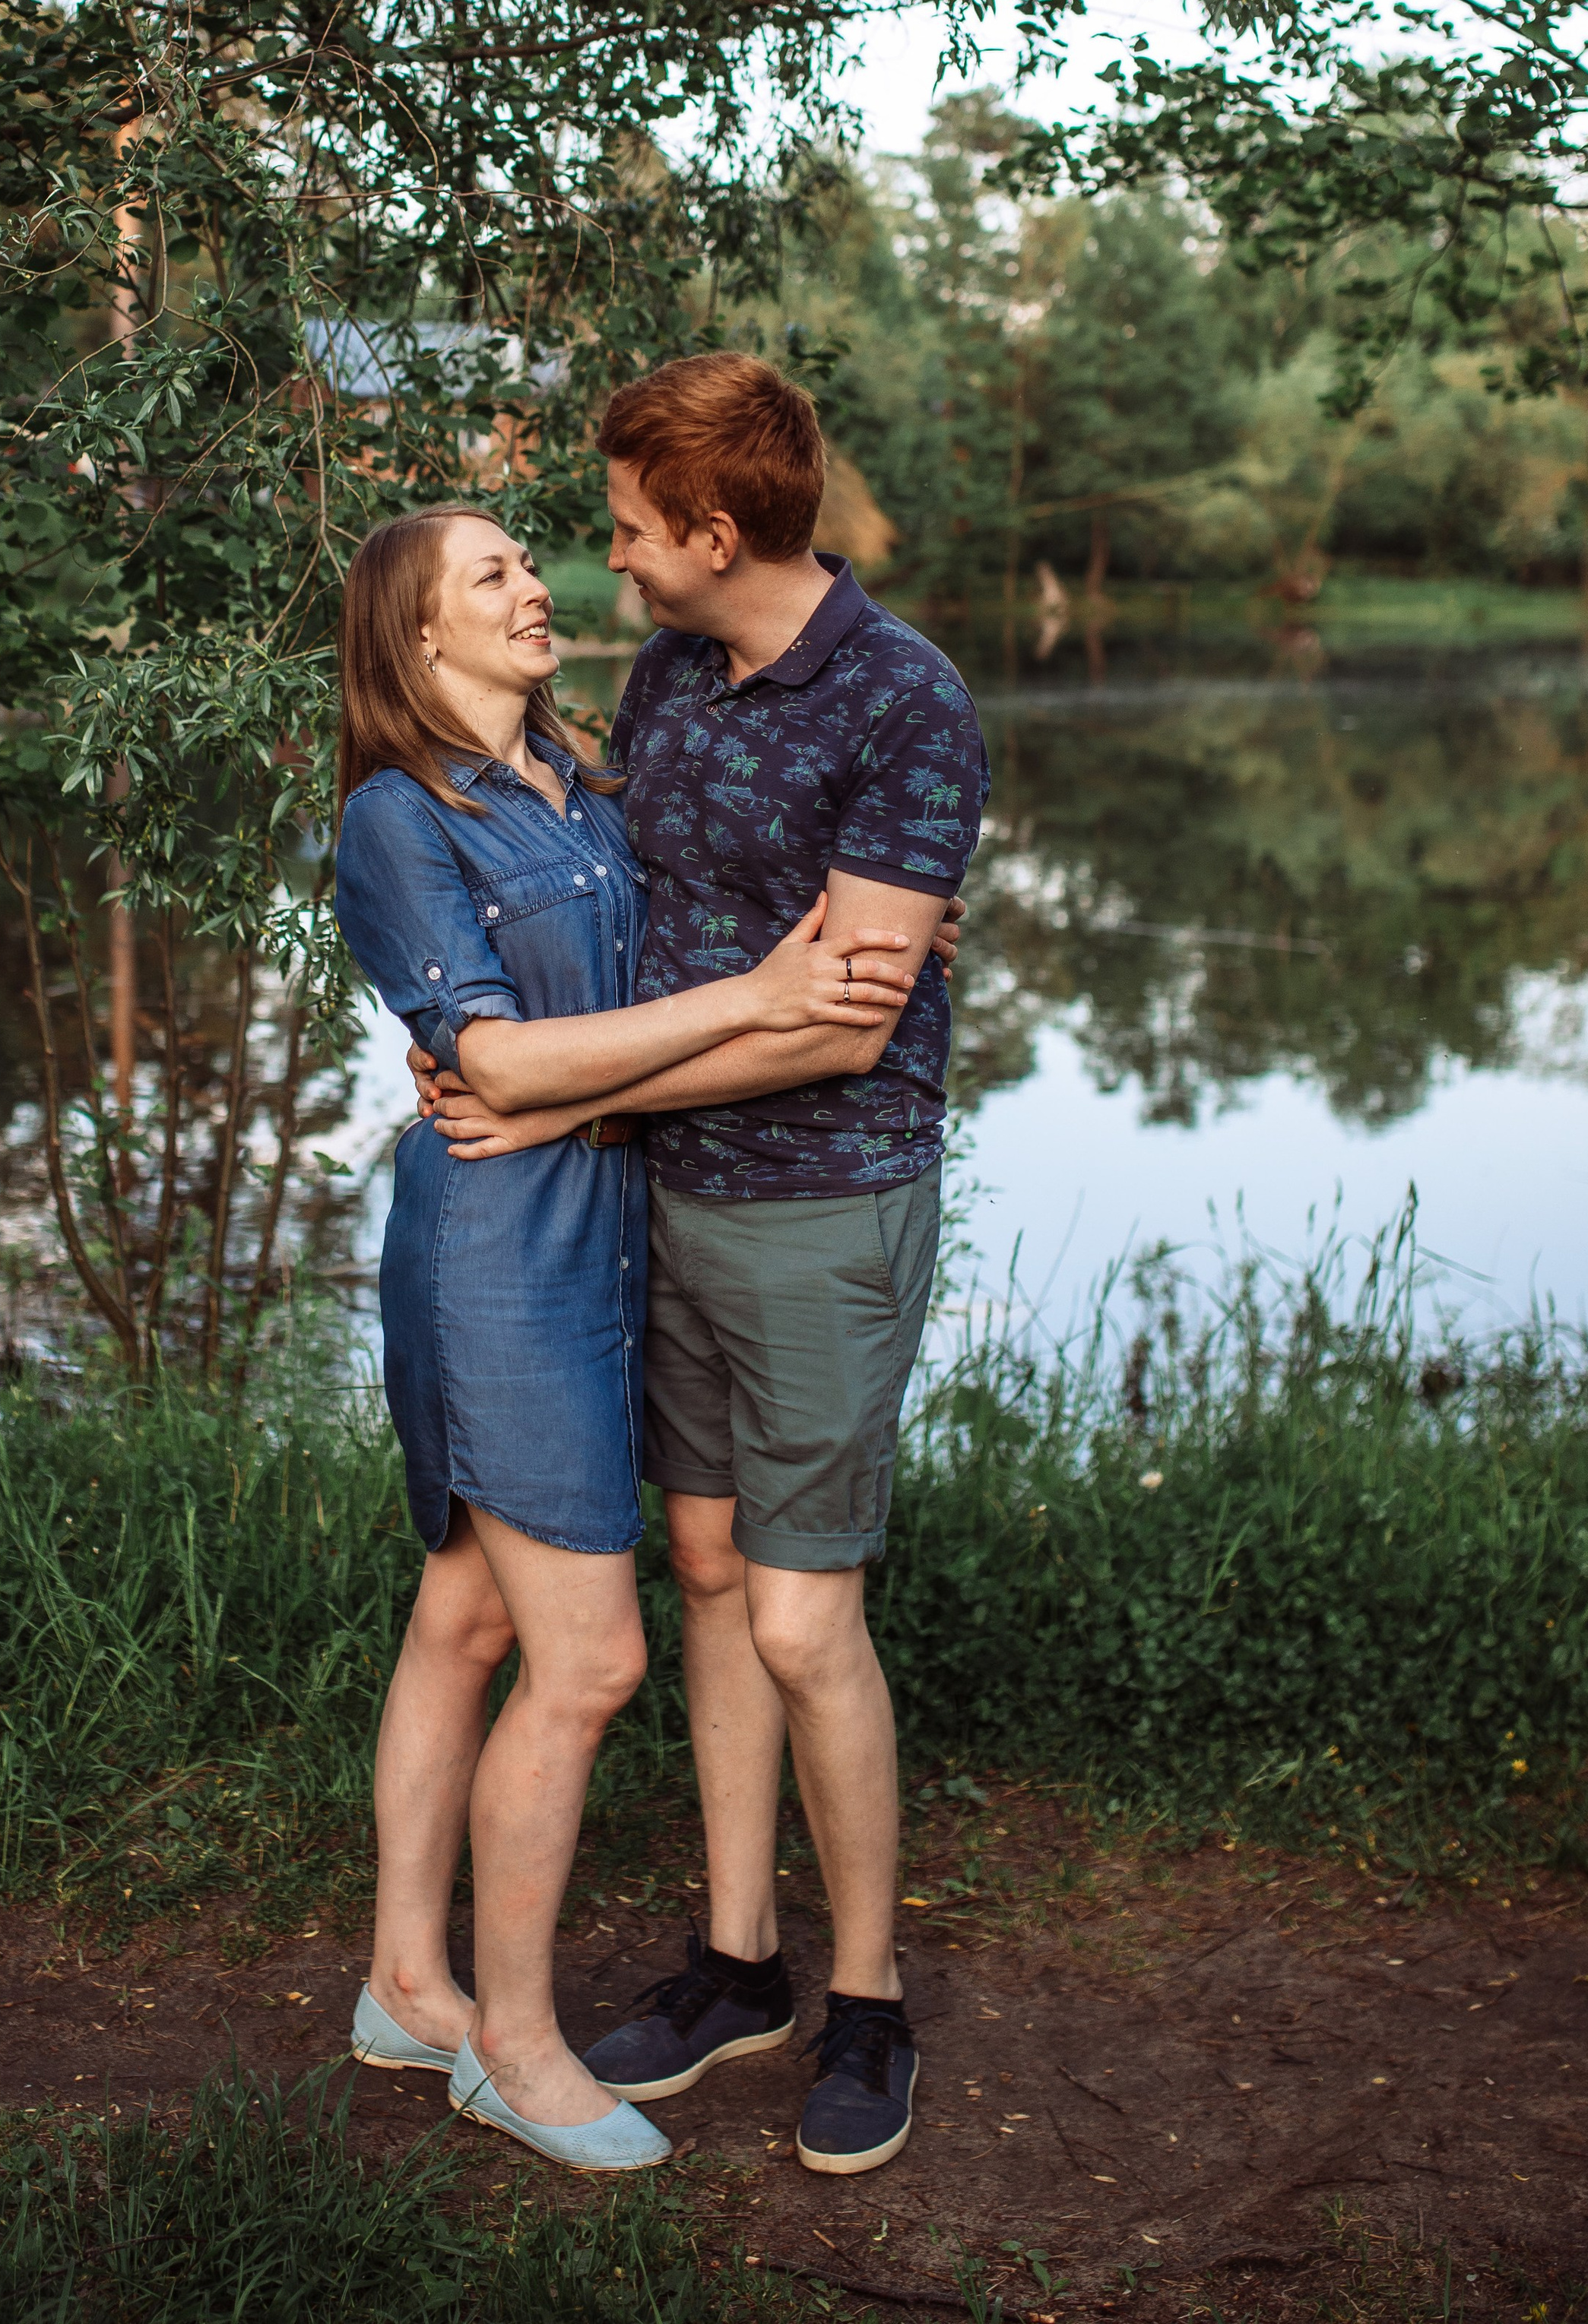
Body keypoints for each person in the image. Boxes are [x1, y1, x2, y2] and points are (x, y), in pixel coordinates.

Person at [423, 355, 988, 2176]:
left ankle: (869, 1997)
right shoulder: (672, 674)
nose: (611, 572)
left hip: (825, 1208)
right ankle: (736, 1961)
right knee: (707, 1569)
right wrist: (511, 1049)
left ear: (715, 531)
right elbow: (621, 890)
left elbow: (840, 1034)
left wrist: (591, 1085)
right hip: (662, 1198)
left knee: (808, 1615)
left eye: (625, 533)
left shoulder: (906, 706)